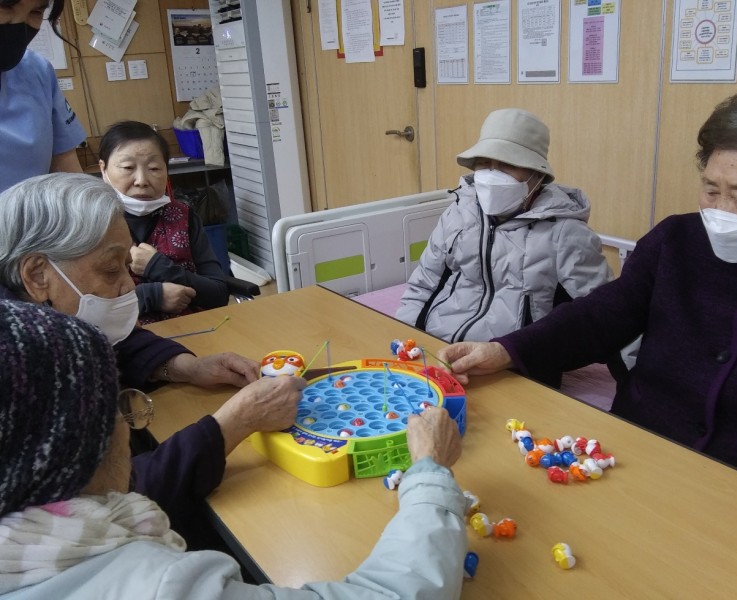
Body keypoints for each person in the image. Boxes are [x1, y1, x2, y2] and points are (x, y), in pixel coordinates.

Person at [438, 89, 737, 493]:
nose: (721, 212)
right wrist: (506, 350)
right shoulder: (675, 240)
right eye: (711, 190)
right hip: (643, 443)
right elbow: (602, 315)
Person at [0, 300, 467, 599]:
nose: (128, 427)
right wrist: (429, 474)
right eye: (118, 409)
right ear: (73, 447)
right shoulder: (155, 587)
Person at [0, 172, 306, 547]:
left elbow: (118, 341)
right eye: (111, 269)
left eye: (126, 265)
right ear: (37, 274)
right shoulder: (19, 371)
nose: (129, 285)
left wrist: (185, 367)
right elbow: (112, 501)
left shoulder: (37, 323)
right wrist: (233, 423)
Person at [396, 108, 613, 387]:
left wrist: (638, 384)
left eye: (507, 165)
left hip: (515, 369)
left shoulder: (566, 233)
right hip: (436, 352)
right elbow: (423, 283)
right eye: (484, 163)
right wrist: (407, 345)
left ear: (536, 175)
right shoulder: (458, 214)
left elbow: (607, 316)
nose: (492, 175)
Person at [99, 120, 229, 323]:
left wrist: (159, 267)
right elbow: (81, 308)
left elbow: (218, 294)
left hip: (194, 330)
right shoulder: (91, 225)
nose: (142, 180)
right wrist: (152, 296)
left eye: (154, 168)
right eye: (127, 167)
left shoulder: (184, 217)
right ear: (103, 169)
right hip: (125, 338)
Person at [0, 0, 85, 193]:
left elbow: (67, 169)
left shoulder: (37, 71)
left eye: (36, 12)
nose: (19, 25)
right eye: (5, 7)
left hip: (33, 212)